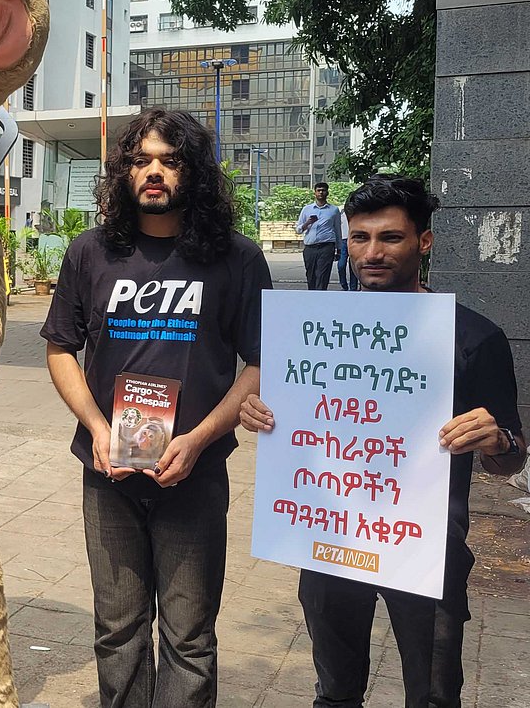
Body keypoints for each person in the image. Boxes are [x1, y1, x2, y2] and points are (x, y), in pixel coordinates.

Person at [240, 176, 526, 708]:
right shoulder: (312, 333)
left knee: (434, 694)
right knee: (335, 691)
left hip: (425, 547)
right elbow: (288, 413)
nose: (372, 253)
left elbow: (511, 459)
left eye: (390, 237)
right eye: (359, 237)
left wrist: (497, 440)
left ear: (424, 242)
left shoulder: (472, 337)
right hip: (328, 540)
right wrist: (256, 411)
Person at [41, 108, 272, 708]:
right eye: (141, 160)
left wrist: (198, 439)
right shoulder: (91, 252)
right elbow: (61, 348)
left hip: (195, 473)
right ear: (123, 171)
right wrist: (97, 427)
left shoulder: (237, 259)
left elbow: (260, 362)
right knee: (118, 632)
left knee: (189, 638)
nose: (154, 172)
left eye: (170, 162)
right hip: (108, 475)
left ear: (193, 173)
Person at [295, 182, 341, 290]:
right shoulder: (307, 209)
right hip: (310, 247)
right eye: (318, 190)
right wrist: (308, 223)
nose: (321, 192)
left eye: (323, 190)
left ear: (327, 193)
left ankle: (321, 295)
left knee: (322, 274)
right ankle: (312, 295)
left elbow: (337, 229)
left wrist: (339, 249)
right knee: (310, 275)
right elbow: (298, 230)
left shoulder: (334, 210)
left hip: (326, 247)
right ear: (314, 193)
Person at [336, 208, 358, 291]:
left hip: (354, 239)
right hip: (343, 241)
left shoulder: (356, 214)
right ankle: (344, 285)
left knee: (353, 265)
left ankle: (353, 288)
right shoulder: (340, 215)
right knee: (341, 265)